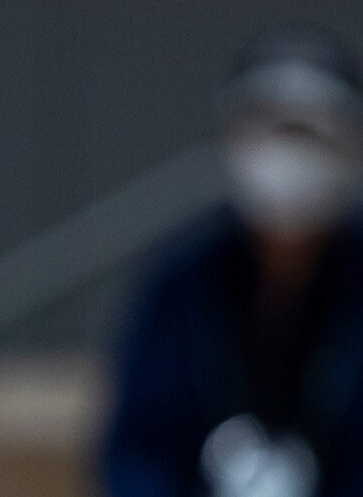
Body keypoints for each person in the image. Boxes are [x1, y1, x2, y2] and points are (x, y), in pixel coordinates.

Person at [103, 33, 363, 497]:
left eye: (309, 133)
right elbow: (134, 450)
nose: (288, 157)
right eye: (270, 129)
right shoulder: (179, 286)